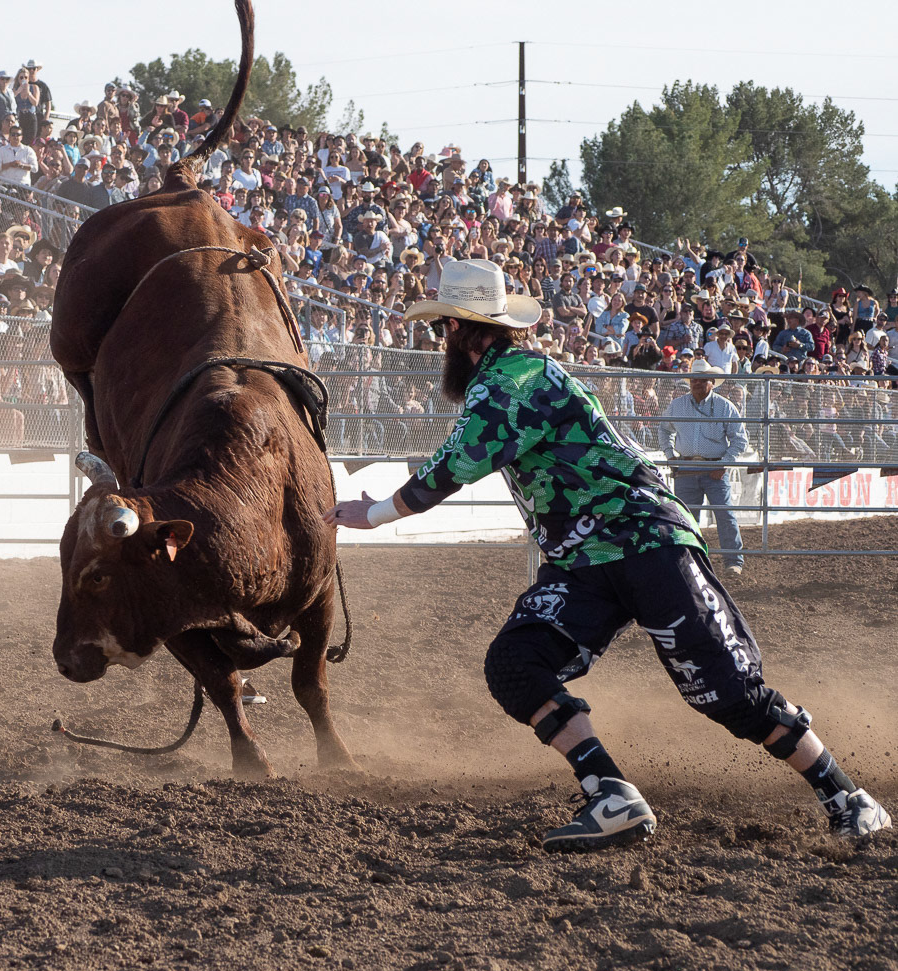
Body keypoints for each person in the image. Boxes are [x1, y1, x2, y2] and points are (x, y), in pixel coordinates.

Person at [325, 259, 890, 851]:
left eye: (442, 325)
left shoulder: (509, 381)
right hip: (587, 557)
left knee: (730, 693)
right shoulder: (512, 377)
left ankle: (848, 797)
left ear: (462, 331)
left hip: (644, 539)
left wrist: (376, 512)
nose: (439, 339)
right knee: (516, 665)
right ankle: (610, 794)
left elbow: (454, 466)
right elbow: (461, 455)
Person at [660, 359, 748, 574]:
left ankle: (733, 561)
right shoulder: (677, 405)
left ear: (711, 382)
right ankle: (690, 560)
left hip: (714, 468)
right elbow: (664, 430)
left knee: (724, 515)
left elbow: (740, 440)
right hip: (687, 467)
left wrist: (724, 463)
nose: (696, 383)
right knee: (686, 517)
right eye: (693, 379)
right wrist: (671, 456)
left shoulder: (725, 406)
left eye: (701, 379)